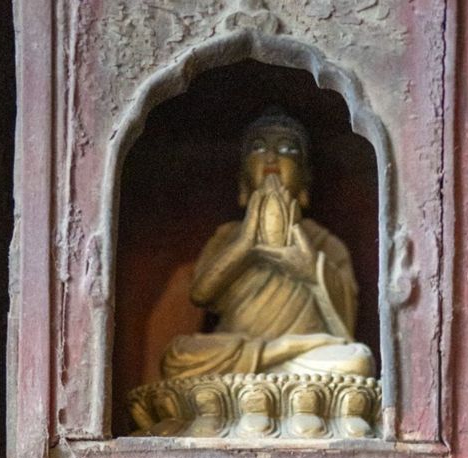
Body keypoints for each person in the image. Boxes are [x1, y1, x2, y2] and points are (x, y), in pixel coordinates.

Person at [159, 109, 374, 383]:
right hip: (241, 355)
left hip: (301, 364)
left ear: (306, 177)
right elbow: (200, 294)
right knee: (177, 356)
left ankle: (280, 361)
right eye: (258, 148)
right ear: (242, 178)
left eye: (287, 149)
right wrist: (245, 244)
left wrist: (310, 269)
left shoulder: (324, 243)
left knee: (356, 360)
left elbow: (344, 324)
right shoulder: (227, 237)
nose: (272, 157)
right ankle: (277, 352)